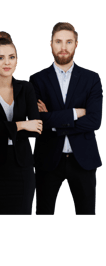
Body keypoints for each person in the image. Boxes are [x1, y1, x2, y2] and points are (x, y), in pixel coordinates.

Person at [29, 22, 103, 216]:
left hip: (83, 160)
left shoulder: (92, 78)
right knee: (44, 213)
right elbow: (37, 121)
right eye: (59, 41)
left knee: (86, 214)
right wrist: (75, 113)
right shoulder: (37, 79)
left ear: (76, 44)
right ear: (50, 44)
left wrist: (53, 121)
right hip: (48, 158)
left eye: (69, 42)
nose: (63, 47)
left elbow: (95, 121)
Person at [0, 31, 42, 215]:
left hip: (22, 168)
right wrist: (21, 125)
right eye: (1, 58)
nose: (7, 62)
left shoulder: (26, 88)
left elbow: (36, 129)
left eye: (11, 57)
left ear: (16, 61)